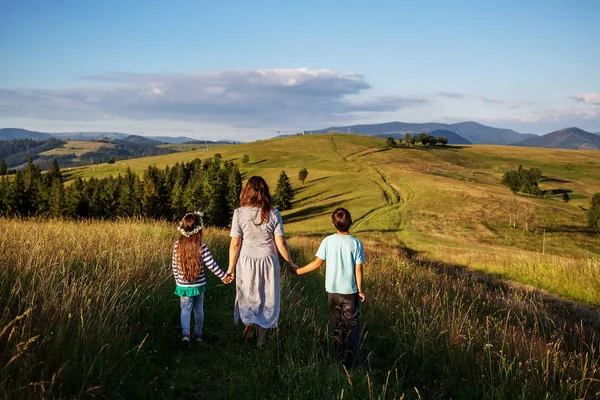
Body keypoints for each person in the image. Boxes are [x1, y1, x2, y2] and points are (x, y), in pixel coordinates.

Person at [290, 208, 365, 364]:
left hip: (332, 292)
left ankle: (337, 356)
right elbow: (358, 268)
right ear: (350, 222)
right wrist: (360, 290)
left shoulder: (327, 241)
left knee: (337, 325)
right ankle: (351, 360)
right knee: (352, 325)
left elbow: (317, 263)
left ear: (333, 224)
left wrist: (298, 271)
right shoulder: (356, 243)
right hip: (349, 292)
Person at [227, 176, 297, 345]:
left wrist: (230, 268)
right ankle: (261, 338)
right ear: (265, 192)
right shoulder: (274, 213)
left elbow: (235, 243)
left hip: (246, 260)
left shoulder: (239, 213)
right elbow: (280, 242)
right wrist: (290, 261)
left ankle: (249, 322)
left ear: (247, 191)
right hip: (268, 260)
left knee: (247, 292)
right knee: (267, 296)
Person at [172, 212, 232, 346]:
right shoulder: (201, 245)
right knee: (199, 307)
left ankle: (186, 335)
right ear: (199, 229)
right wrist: (223, 276)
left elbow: (174, 265)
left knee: (185, 309)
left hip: (183, 285)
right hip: (198, 285)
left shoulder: (177, 245)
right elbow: (211, 264)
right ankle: (198, 334)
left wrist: (177, 280)